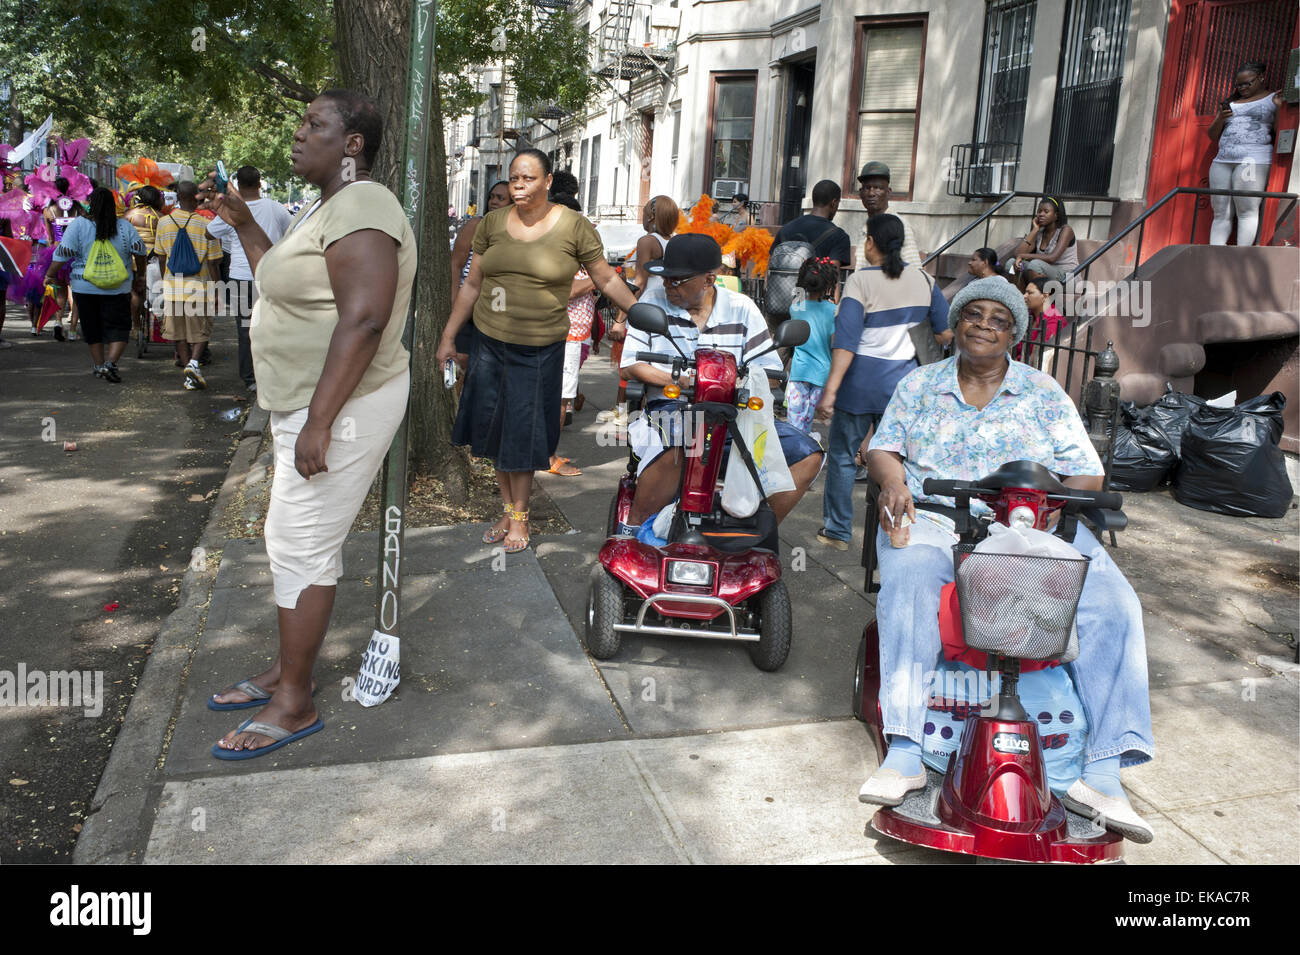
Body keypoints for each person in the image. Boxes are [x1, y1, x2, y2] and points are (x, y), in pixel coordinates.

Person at [859, 276, 1154, 843]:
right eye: (975, 313)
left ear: (1014, 334)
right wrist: (893, 481)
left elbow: (1085, 470)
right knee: (915, 578)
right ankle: (906, 749)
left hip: (1031, 520)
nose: (985, 326)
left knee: (1114, 603)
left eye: (1000, 319)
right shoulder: (920, 385)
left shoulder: (1044, 393)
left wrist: (1055, 509)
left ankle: (1103, 772)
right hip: (939, 518)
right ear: (958, 323)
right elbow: (884, 448)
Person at [206, 89, 416, 759]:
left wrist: (321, 421)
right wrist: (243, 223)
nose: (298, 134)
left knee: (301, 542)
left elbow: (364, 317)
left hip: (345, 405)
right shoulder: (322, 208)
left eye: (314, 124)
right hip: (308, 401)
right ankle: (287, 669)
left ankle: (293, 702)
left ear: (353, 143)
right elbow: (280, 279)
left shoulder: (364, 204)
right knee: (292, 537)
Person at [436, 148, 640, 552]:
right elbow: (473, 284)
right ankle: (508, 511)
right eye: (514, 178)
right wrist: (448, 337)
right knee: (494, 433)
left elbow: (605, 277)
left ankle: (520, 518)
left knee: (524, 435)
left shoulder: (573, 226)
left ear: (547, 181)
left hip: (541, 348)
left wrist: (640, 314)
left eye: (528, 178)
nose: (519, 185)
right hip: (490, 343)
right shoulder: (492, 223)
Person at [620, 234, 825, 529]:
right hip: (672, 408)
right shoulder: (653, 301)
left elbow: (770, 374)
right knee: (682, 438)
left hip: (735, 413)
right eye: (665, 278)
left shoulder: (742, 308)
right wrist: (689, 381)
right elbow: (630, 366)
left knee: (807, 454)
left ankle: (753, 530)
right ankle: (636, 529)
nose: (667, 286)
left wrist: (732, 383)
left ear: (708, 280)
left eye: (676, 280)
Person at [814, 214, 950, 551]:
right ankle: (898, 527)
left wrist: (829, 391)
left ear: (870, 243)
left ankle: (837, 531)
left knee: (844, 456)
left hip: (859, 387)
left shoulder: (860, 282)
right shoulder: (925, 280)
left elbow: (845, 342)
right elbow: (945, 332)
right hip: (905, 388)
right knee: (897, 459)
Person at [44, 187, 146, 382]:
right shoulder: (124, 227)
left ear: (90, 204)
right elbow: (140, 251)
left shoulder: (78, 226)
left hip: (85, 287)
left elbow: (63, 253)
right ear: (112, 205)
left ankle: (99, 365)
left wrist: (50, 274)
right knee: (119, 327)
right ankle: (111, 363)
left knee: (92, 328)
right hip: (118, 287)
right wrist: (140, 275)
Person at [206, 166, 291, 393]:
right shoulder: (276, 209)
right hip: (271, 276)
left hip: (240, 277)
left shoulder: (231, 209)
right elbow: (291, 233)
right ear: (260, 183)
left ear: (239, 185)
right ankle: (272, 374)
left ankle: (249, 378)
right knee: (273, 327)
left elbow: (209, 232)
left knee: (245, 330)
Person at [597, 194, 680, 428]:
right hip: (667, 305)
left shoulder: (648, 241)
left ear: (652, 215)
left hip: (645, 306)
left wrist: (621, 319)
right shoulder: (673, 241)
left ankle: (628, 415)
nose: (643, 218)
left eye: (644, 213)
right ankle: (632, 412)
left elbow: (640, 282)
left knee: (633, 362)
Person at [1207, 61, 1286, 246]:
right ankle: (1214, 253)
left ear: (1260, 78)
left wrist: (1280, 108)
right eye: (1238, 85)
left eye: (1247, 83)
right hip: (1222, 160)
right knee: (1220, 212)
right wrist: (1220, 117)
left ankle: (1241, 256)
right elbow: (1212, 135)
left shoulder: (1273, 99)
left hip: (1253, 159)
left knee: (1247, 210)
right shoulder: (1231, 103)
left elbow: (1279, 130)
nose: (1242, 88)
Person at [155, 181, 223, 389]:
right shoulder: (205, 225)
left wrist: (164, 281)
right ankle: (194, 363)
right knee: (202, 330)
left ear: (177, 197)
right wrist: (218, 288)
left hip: (172, 287)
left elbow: (160, 257)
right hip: (198, 287)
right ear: (196, 197)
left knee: (179, 334)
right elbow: (213, 261)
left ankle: (188, 374)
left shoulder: (164, 222)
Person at [448, 179, 511, 364]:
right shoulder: (476, 224)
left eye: (501, 198)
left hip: (496, 311)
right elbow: (455, 265)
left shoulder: (516, 233)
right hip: (467, 308)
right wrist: (454, 303)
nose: (494, 201)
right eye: (491, 197)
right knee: (461, 362)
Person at [783, 256, 839, 434]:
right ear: (828, 284)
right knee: (809, 420)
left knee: (796, 424)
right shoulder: (834, 311)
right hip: (822, 374)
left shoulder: (796, 309)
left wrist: (800, 281)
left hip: (799, 373)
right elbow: (834, 344)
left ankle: (797, 455)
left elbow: (796, 294)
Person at [774, 179, 852, 265]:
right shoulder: (839, 236)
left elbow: (770, 270)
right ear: (833, 203)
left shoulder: (784, 230)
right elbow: (833, 274)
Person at [857, 161, 919, 266]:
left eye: (877, 188)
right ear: (860, 193)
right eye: (867, 188)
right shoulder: (865, 226)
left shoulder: (900, 226)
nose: (871, 193)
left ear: (888, 192)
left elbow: (914, 270)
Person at [124, 185, 164, 343]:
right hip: (155, 262)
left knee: (135, 294)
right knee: (157, 294)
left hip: (133, 261)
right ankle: (158, 326)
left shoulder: (129, 215)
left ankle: (137, 327)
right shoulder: (160, 217)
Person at [1008, 197, 1077, 287]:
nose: (1041, 214)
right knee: (1011, 263)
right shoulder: (1040, 232)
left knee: (1035, 264)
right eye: (1039, 211)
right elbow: (1018, 253)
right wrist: (1034, 230)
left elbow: (1052, 258)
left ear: (1056, 215)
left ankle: (1039, 296)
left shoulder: (1066, 230)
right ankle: (1019, 297)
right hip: (1045, 271)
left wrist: (1022, 256)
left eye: (1046, 211)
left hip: (1066, 276)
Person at [1017, 276, 1067, 361]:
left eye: (1030, 293)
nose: (1024, 296)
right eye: (1025, 292)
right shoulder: (1029, 315)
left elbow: (1036, 358)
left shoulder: (1054, 321)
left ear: (1045, 296)